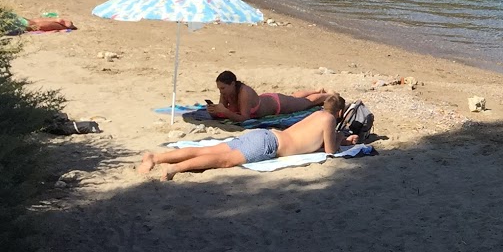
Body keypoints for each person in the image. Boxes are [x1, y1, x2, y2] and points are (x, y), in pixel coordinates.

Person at [138, 94, 359, 180]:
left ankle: (155, 158)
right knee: (223, 161)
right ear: (339, 113)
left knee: (210, 150)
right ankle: (174, 169)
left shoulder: (317, 114)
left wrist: (340, 139)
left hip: (265, 135)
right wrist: (344, 140)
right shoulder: (329, 120)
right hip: (270, 144)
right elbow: (330, 151)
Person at [205, 70, 331, 122]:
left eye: (223, 88)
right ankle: (316, 90)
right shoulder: (226, 93)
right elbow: (221, 111)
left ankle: (326, 95)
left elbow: (245, 118)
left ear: (232, 84)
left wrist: (225, 112)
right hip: (266, 100)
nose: (221, 91)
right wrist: (213, 110)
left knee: (307, 102)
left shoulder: (244, 92)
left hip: (277, 104)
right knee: (294, 97)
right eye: (219, 88)